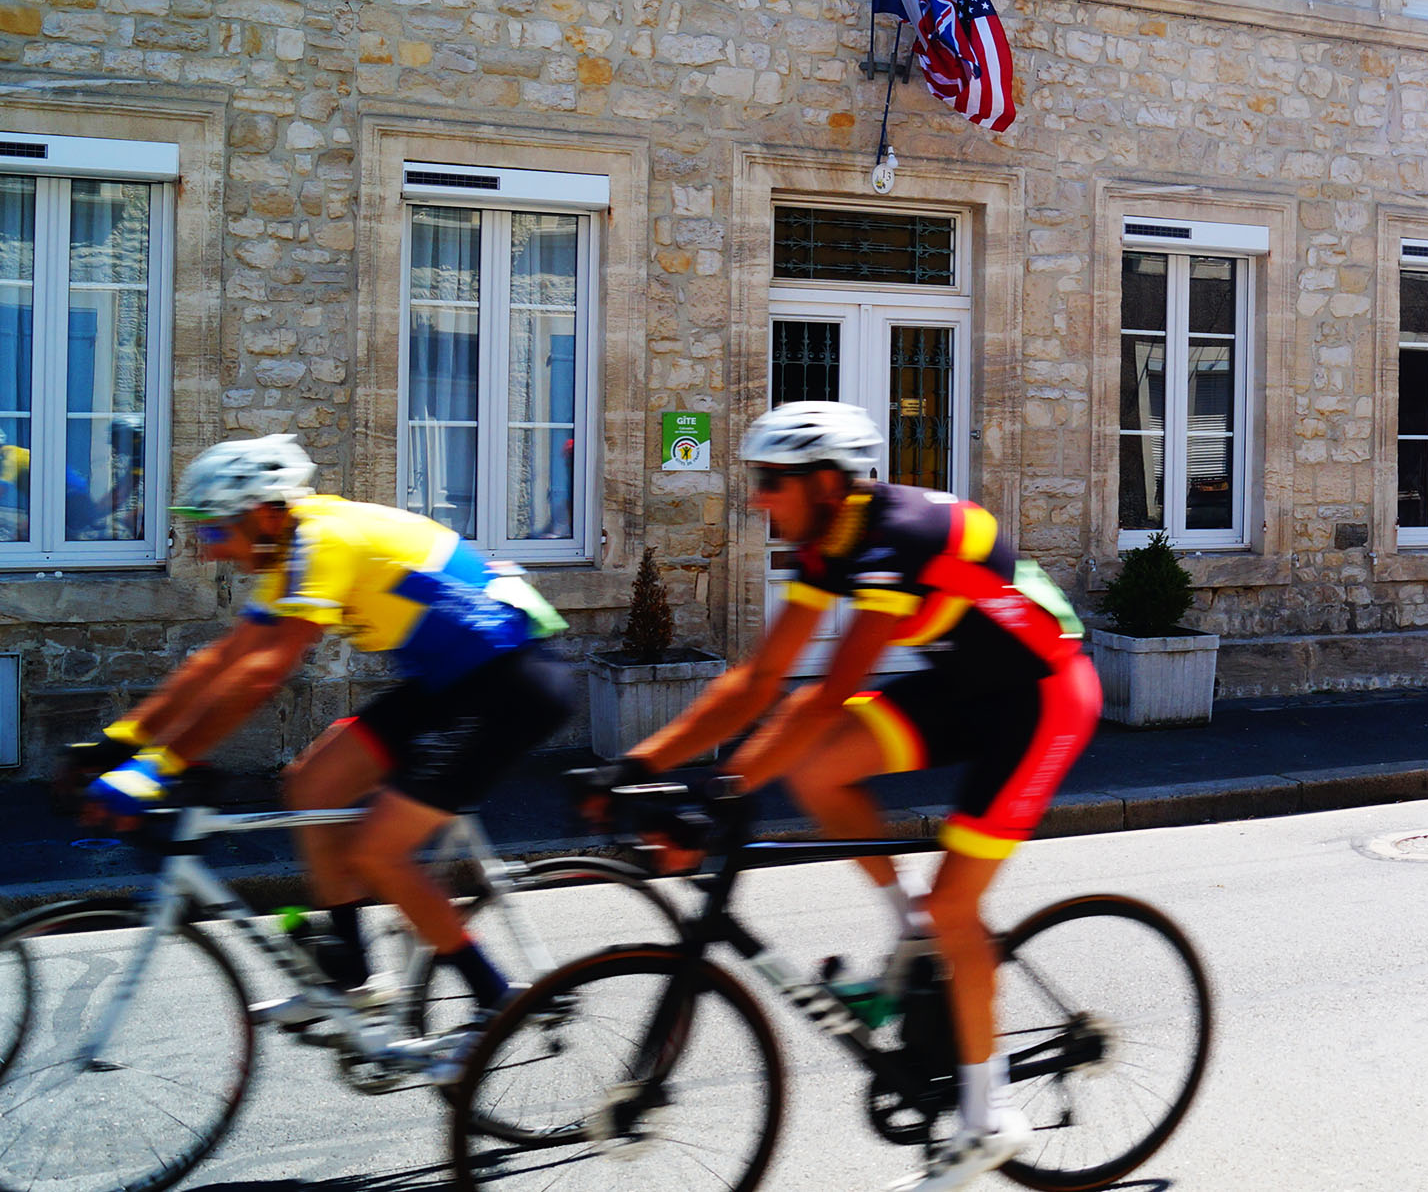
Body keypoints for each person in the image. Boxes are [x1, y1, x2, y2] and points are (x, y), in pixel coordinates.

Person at [590, 401, 1099, 1192]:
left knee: (957, 904)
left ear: (828, 483)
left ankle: (991, 1109)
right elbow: (759, 678)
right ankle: (911, 936)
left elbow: (826, 692)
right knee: (821, 770)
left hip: (1044, 695)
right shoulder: (831, 541)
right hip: (965, 684)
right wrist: (636, 763)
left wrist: (720, 790)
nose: (758, 496)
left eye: (771, 480)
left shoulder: (899, 539)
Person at [77, 434, 573, 1024]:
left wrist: (159, 767)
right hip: (451, 682)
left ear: (263, 512)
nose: (207, 551)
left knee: (377, 851)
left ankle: (497, 998)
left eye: (214, 530)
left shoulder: (324, 539)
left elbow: (264, 673)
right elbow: (222, 658)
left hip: (514, 682)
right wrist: (122, 740)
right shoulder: (291, 548)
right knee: (312, 785)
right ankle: (352, 976)